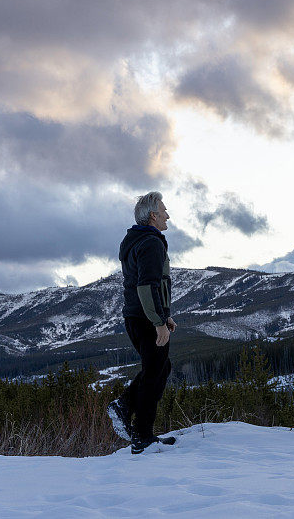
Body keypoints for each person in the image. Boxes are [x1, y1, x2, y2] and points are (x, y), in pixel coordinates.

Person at [108, 191, 178, 454]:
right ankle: (141, 434)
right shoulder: (151, 243)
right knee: (154, 372)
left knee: (159, 367)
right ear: (153, 216)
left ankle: (129, 413)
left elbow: (152, 285)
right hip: (146, 318)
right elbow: (147, 285)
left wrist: (165, 314)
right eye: (164, 211)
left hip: (137, 316)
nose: (167, 215)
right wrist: (158, 321)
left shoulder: (136, 241)